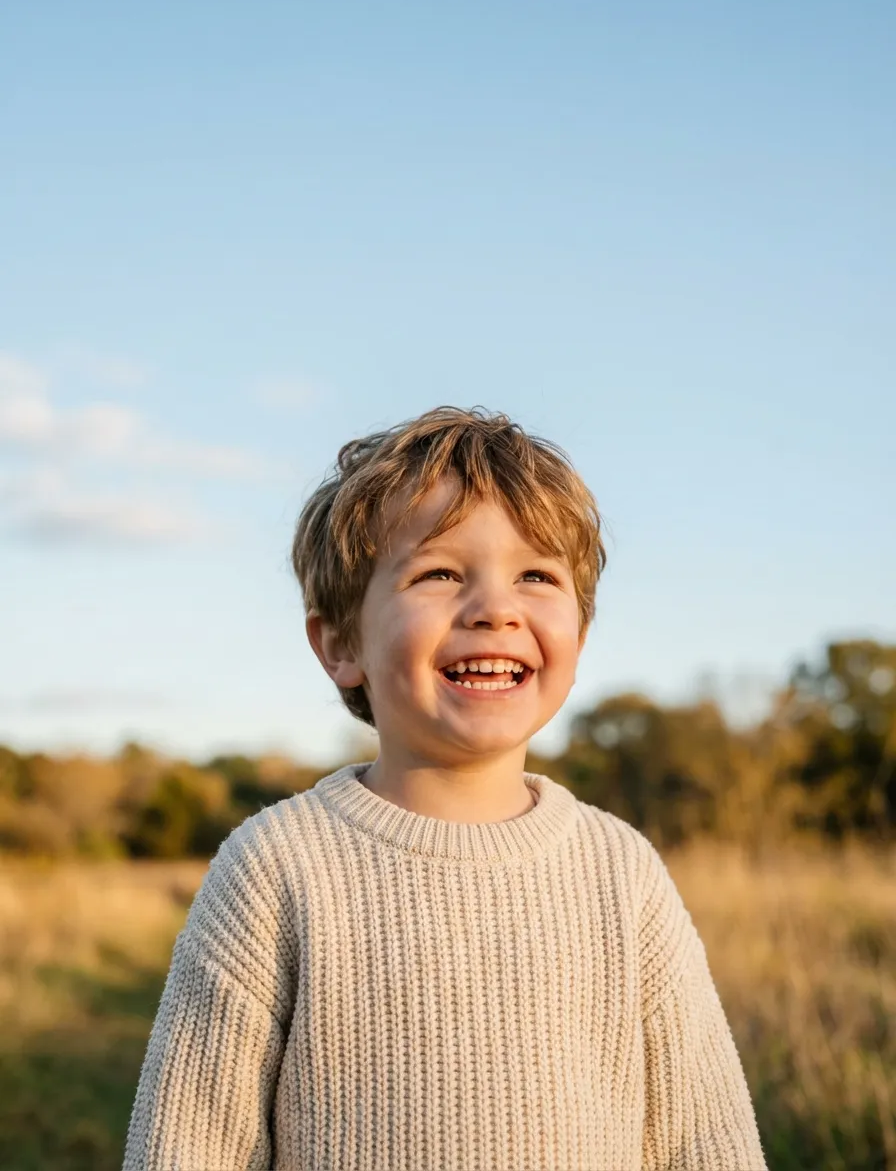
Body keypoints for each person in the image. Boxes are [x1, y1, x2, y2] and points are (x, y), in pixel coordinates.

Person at [123, 406, 767, 1170]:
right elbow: (187, 1147)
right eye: (439, 574)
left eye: (536, 576)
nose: (495, 610)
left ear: (580, 634)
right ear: (341, 643)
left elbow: (707, 1143)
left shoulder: (621, 876)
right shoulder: (275, 868)